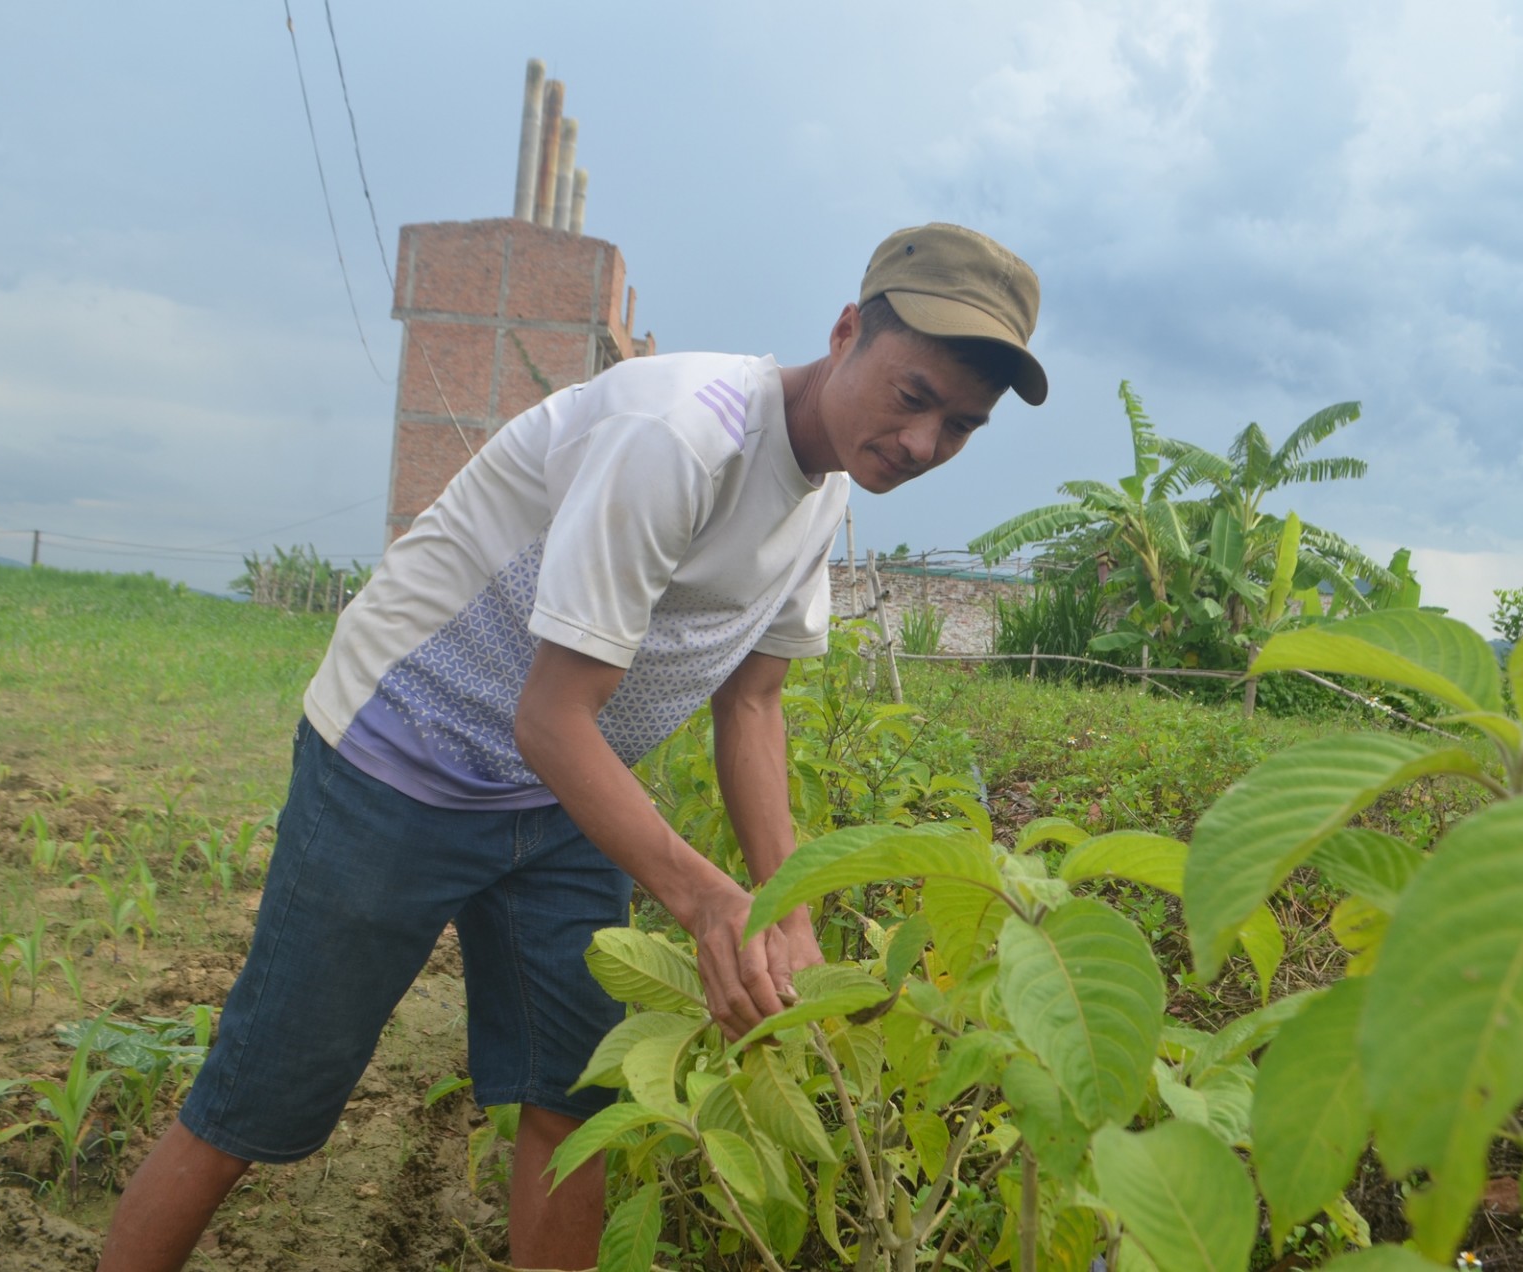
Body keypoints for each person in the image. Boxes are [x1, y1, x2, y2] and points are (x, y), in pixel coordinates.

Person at [97, 222, 1046, 1272]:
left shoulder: (823, 496)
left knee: (577, 1094)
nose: (922, 445)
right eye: (913, 397)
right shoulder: (683, 434)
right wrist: (705, 897)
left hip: (562, 802)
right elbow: (549, 715)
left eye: (960, 426)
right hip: (398, 757)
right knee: (258, 1099)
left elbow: (755, 704)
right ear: (846, 332)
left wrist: (786, 912)